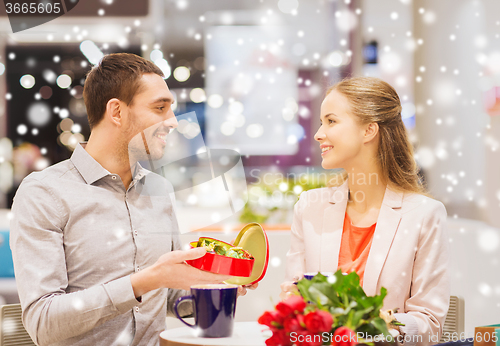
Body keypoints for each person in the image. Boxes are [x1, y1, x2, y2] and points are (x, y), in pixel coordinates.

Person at [10, 53, 254, 346]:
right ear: (117, 112)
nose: (173, 122)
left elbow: (170, 296)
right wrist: (147, 280)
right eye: (160, 108)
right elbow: (43, 322)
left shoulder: (159, 190)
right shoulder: (44, 193)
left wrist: (217, 286)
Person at [280, 77, 449, 346]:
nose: (318, 134)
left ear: (369, 130)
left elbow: (430, 323)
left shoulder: (425, 214)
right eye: (322, 122)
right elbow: (294, 299)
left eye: (331, 121)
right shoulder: (309, 208)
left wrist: (371, 325)